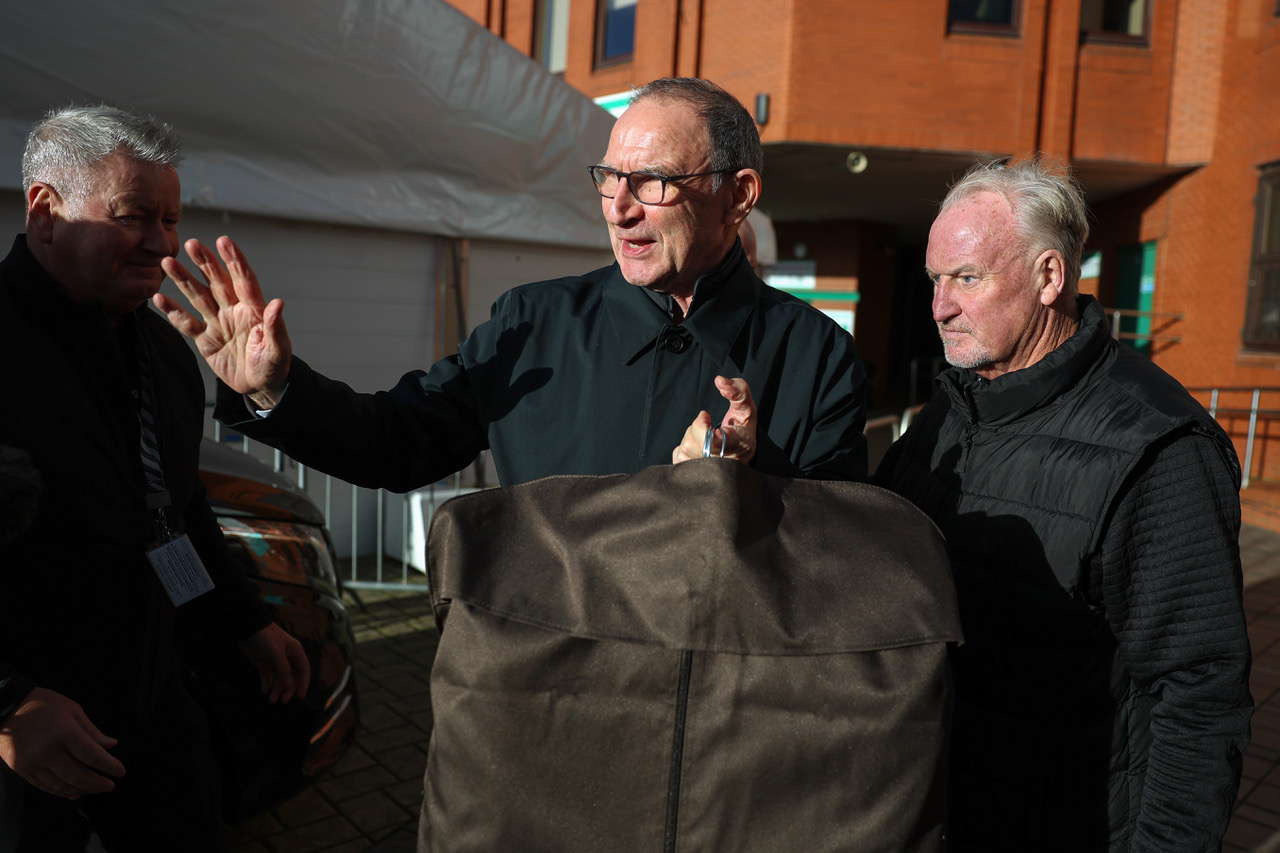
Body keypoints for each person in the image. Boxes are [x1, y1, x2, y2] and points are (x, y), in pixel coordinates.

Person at [154, 77, 868, 486]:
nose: (617, 207)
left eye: (651, 182)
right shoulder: (533, 323)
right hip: (543, 712)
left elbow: (837, 562)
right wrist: (275, 388)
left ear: (738, 195)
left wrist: (757, 476)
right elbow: (397, 441)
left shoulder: (818, 357)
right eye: (610, 177)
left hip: (721, 728)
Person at [873, 158, 1252, 851]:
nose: (939, 306)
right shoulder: (952, 406)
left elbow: (1199, 696)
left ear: (1050, 276)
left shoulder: (1157, 449)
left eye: (966, 277)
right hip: (937, 806)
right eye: (934, 279)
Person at [0, 105, 310, 853]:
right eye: (135, 216)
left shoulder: (167, 348)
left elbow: (175, 505)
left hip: (155, 696)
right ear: (46, 211)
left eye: (170, 219)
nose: (163, 243)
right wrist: (6, 703)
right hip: (28, 730)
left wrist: (243, 620)